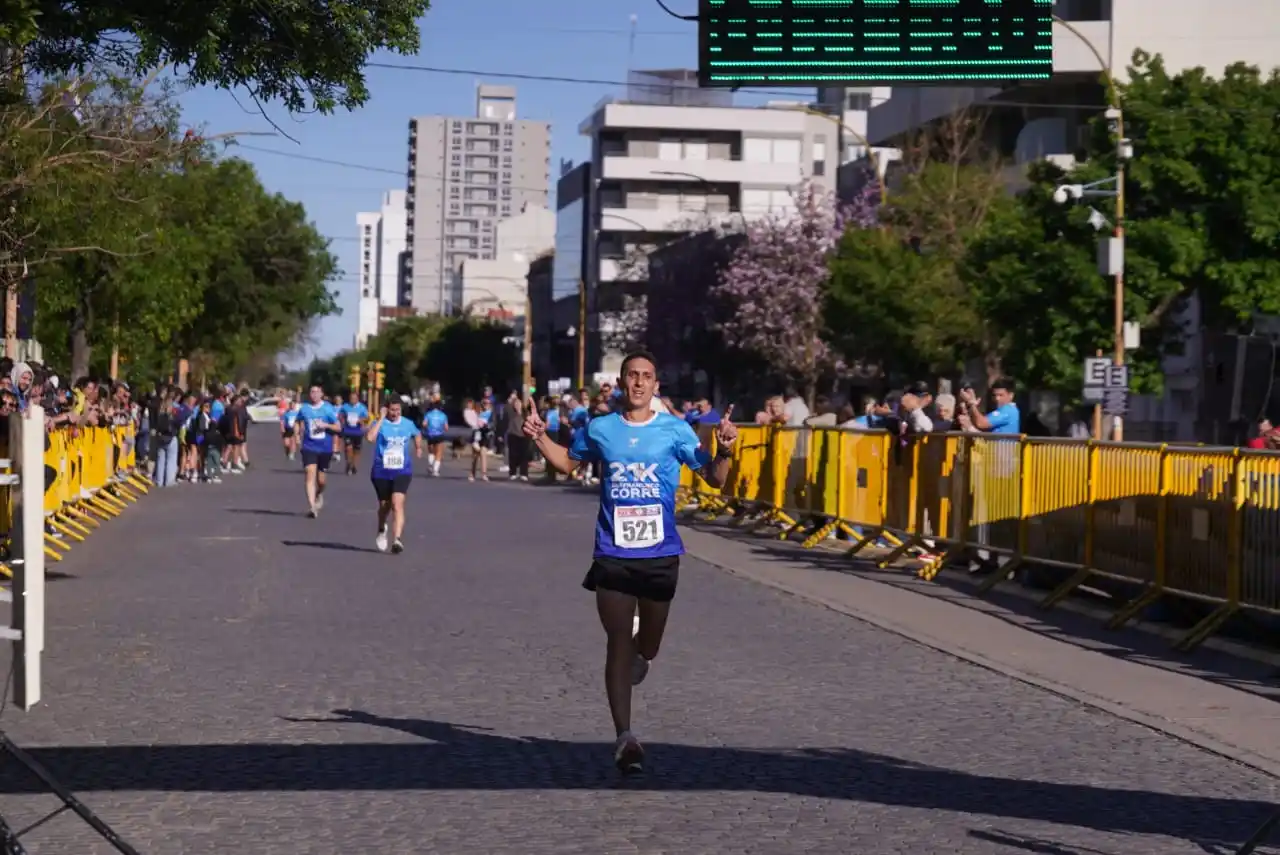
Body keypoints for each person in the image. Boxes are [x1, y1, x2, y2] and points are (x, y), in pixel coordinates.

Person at [522, 350, 738, 776]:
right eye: (632, 376)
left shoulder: (675, 430)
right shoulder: (600, 428)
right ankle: (624, 736)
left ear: (657, 386)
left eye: (647, 377)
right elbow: (569, 462)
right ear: (622, 383)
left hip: (660, 555)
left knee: (648, 644)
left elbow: (714, 478)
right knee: (618, 641)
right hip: (613, 554)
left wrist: (726, 448)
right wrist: (539, 438)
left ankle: (646, 652)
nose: (639, 383)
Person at [367, 396, 422, 553]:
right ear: (386, 409)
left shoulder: (407, 424)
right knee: (385, 506)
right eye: (392, 410)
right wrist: (381, 418)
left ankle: (397, 539)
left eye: (397, 410)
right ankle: (381, 528)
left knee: (398, 504)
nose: (395, 413)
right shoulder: (381, 423)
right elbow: (370, 438)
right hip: (381, 470)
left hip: (402, 470)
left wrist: (418, 447)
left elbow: (417, 434)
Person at [295, 385, 340, 517]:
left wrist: (326, 425)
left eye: (317, 392)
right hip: (309, 446)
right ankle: (312, 507)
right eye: (312, 392)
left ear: (321, 394)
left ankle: (319, 493)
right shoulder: (305, 409)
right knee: (310, 474)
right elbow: (297, 421)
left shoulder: (327, 409)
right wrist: (297, 435)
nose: (314, 394)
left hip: (325, 447)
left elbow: (338, 427)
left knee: (321, 480)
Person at [339, 390, 370, 475]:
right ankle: (349, 463)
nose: (352, 400)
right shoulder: (345, 406)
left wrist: (361, 420)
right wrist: (342, 420)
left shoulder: (362, 407)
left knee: (357, 450)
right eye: (351, 398)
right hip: (348, 430)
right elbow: (340, 415)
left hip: (358, 432)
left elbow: (367, 417)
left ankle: (354, 465)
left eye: (354, 398)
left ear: (357, 399)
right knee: (348, 448)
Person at [422, 399, 449, 476]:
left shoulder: (428, 414)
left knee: (431, 451)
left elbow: (424, 424)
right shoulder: (443, 415)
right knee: (439, 453)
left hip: (430, 435)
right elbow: (446, 428)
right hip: (439, 435)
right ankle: (435, 470)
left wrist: (427, 428)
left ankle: (430, 465)